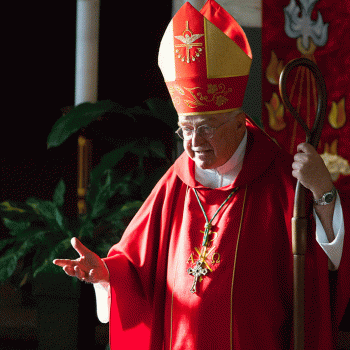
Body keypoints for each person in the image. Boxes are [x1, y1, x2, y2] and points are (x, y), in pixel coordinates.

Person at [53, 1, 350, 349]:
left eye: (206, 128)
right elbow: (134, 263)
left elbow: (327, 266)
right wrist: (105, 274)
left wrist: (323, 192)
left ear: (240, 122)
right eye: (186, 129)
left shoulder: (281, 179)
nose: (194, 143)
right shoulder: (176, 182)